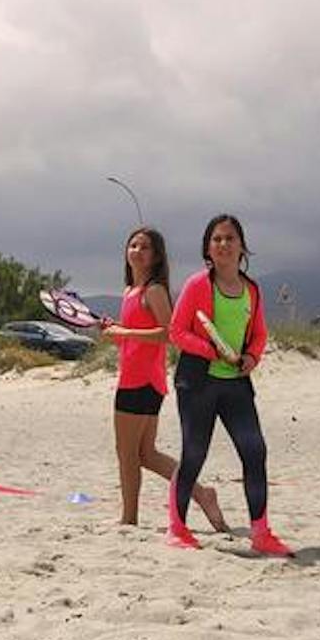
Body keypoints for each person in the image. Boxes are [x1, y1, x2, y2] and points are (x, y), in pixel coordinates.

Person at [164, 214, 291, 556]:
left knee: (255, 451)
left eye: (229, 238)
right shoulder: (197, 285)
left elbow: (260, 335)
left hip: (236, 383)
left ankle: (261, 533)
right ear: (208, 247)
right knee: (194, 453)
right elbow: (177, 332)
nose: (223, 244)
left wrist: (251, 358)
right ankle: (177, 528)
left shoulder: (252, 290)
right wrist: (212, 350)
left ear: (241, 246)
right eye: (216, 239)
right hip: (198, 382)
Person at [98, 227, 226, 530]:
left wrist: (125, 332)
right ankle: (202, 493)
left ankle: (129, 518)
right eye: (133, 245)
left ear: (156, 256)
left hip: (141, 382)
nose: (137, 251)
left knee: (127, 454)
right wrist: (116, 331)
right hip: (138, 378)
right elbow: (136, 338)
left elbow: (169, 334)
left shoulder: (153, 290)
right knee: (147, 454)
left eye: (145, 247)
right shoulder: (130, 291)